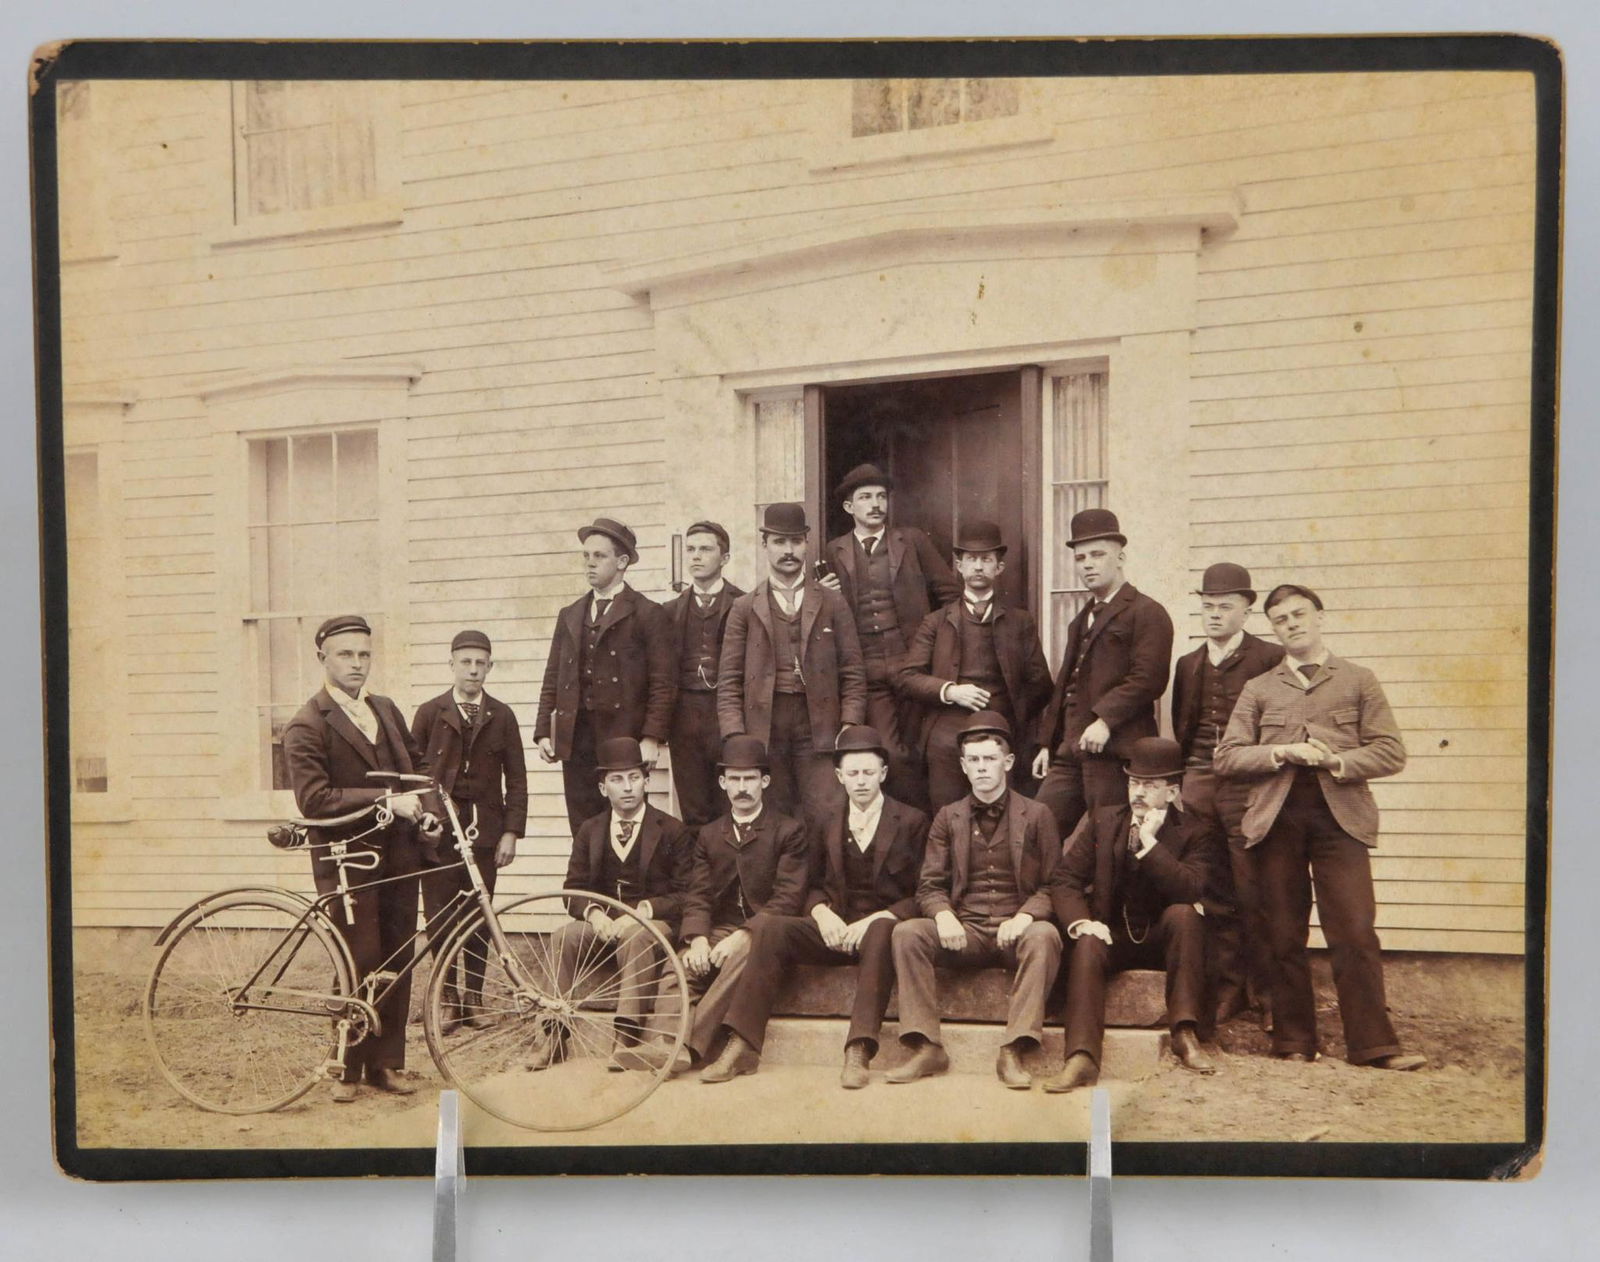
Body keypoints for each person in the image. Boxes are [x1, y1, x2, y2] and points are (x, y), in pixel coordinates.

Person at [1215, 584, 1426, 1071]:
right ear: (1272, 629)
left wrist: (1338, 760)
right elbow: (1227, 756)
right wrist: (1281, 752)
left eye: (1299, 614)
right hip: (1277, 822)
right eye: (1281, 619)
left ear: (1320, 617)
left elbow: (1391, 751)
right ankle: (1293, 1041)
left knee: (1353, 930)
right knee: (1284, 934)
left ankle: (1374, 1046)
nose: (1291, 623)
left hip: (1341, 820)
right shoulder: (1260, 688)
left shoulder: (1357, 680)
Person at [706, 726, 930, 1088]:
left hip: (881, 932)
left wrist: (878, 917)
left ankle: (858, 1048)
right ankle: (743, 1044)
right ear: (839, 776)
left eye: (869, 772)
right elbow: (809, 885)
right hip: (834, 928)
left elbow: (923, 892)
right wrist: (823, 913)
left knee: (881, 929)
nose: (861, 781)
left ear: (883, 774)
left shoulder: (912, 821)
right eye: (853, 773)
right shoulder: (824, 818)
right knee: (768, 927)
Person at [281, 614, 427, 1103]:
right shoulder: (307, 723)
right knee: (358, 957)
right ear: (322, 657)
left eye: (364, 654)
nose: (357, 664)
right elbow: (314, 799)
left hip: (400, 853)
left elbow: (415, 769)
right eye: (346, 654)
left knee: (397, 955)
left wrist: (426, 809)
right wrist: (384, 802)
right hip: (348, 859)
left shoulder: (385, 709)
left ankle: (386, 1064)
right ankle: (346, 1067)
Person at [888, 712, 1063, 1090]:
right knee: (907, 934)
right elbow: (929, 885)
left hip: (1015, 934)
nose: (982, 768)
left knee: (1045, 935)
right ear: (964, 766)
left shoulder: (1037, 815)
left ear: (1008, 762)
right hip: (964, 932)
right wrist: (944, 916)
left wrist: (1026, 916)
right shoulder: (947, 818)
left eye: (990, 759)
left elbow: (1054, 885)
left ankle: (1014, 1048)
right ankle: (926, 1046)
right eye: (974, 761)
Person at [1043, 737, 1218, 1093]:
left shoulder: (1195, 830)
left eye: (1150, 786)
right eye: (1133, 783)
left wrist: (1150, 845)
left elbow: (1192, 888)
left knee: (1185, 915)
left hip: (1161, 939)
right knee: (1088, 941)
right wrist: (1082, 921)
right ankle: (1081, 1056)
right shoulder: (1103, 820)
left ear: (1171, 793)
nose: (1138, 793)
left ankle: (1184, 1033)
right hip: (1113, 935)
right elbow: (1065, 879)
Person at [1169, 563, 1285, 1027]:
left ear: (1247, 609)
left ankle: (1270, 994)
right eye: (1207, 607)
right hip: (1199, 782)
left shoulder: (1269, 657)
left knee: (1254, 887)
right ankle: (1230, 988)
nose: (1214, 616)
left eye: (1225, 607)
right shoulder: (1189, 663)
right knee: (1212, 888)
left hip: (1249, 786)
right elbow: (1184, 726)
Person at [536, 737, 693, 1071]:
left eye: (635, 778)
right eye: (617, 780)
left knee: (637, 936)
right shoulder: (590, 830)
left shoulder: (672, 831)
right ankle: (553, 1034)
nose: (628, 788)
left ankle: (626, 1035)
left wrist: (643, 913)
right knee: (564, 936)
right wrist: (594, 914)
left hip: (653, 927)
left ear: (647, 781)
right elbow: (573, 889)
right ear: (602, 786)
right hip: (604, 927)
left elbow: (685, 895)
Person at [670, 735, 813, 1081]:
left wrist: (745, 935)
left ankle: (688, 1046)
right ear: (722, 783)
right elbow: (698, 894)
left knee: (740, 957)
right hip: (721, 926)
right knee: (679, 965)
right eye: (734, 779)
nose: (742, 787)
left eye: (750, 778)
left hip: (767, 930)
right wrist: (697, 938)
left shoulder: (789, 831)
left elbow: (788, 898)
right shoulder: (708, 834)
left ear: (765, 782)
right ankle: (662, 1042)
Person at [717, 502, 866, 832]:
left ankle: (822, 885)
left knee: (826, 811)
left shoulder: (832, 601)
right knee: (772, 815)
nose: (788, 550)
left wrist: (850, 722)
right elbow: (728, 679)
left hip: (820, 724)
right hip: (764, 726)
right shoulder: (743, 608)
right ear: (765, 545)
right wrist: (736, 735)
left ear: (806, 543)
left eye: (796, 542)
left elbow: (853, 670)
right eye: (780, 542)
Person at [410, 629, 529, 1031]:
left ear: (490, 667)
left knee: (480, 912)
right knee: (441, 915)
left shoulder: (503, 715)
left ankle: (474, 997)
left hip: (485, 829)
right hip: (439, 829)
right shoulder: (430, 713)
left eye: (481, 663)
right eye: (466, 662)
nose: (473, 670)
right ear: (452, 664)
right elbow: (415, 775)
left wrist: (511, 832)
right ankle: (448, 996)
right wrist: (427, 816)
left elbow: (517, 779)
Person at [819, 464, 959, 800]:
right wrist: (821, 594)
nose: (875, 504)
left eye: (881, 496)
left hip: (913, 664)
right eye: (865, 497)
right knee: (891, 753)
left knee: (924, 749)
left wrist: (936, 645)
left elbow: (951, 595)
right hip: (867, 669)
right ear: (849, 507)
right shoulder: (832, 551)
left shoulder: (911, 541)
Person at [1033, 508, 1174, 840]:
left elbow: (1149, 678)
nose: (1088, 564)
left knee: (1109, 843)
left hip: (1116, 754)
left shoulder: (1147, 612)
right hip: (1071, 751)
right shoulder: (1079, 620)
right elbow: (1066, 685)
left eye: (1098, 554)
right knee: (1037, 831)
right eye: (1080, 557)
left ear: (1121, 556)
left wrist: (1106, 720)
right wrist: (1046, 743)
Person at [896, 520, 1053, 810]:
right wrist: (950, 691)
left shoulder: (1020, 622)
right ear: (959, 566)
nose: (978, 566)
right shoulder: (936, 622)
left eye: (986, 559)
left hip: (1002, 732)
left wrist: (1008, 708)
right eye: (971, 559)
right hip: (947, 735)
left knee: (1003, 817)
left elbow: (1040, 683)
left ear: (999, 567)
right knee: (948, 816)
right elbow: (908, 677)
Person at [535, 517, 675, 835]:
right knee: (583, 828)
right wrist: (545, 730)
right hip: (576, 739)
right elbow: (554, 676)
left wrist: (651, 738)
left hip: (623, 736)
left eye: (599, 556)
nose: (589, 564)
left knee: (626, 823)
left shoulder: (648, 614)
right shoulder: (570, 614)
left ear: (622, 561)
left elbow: (662, 684)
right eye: (586, 556)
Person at [662, 521, 744, 829]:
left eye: (706, 549)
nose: (696, 556)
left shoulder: (744, 603)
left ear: (724, 558)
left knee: (731, 802)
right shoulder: (669, 611)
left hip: (728, 716)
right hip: (684, 718)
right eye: (691, 549)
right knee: (693, 809)